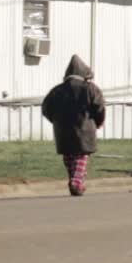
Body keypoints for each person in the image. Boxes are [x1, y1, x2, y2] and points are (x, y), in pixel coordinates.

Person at [42, 54, 106, 196]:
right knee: (81, 157)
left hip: (62, 130)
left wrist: (56, 121)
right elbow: (99, 108)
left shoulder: (56, 91)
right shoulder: (91, 89)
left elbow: (46, 109)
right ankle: (76, 182)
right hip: (84, 129)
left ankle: (76, 181)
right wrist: (98, 121)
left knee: (69, 157)